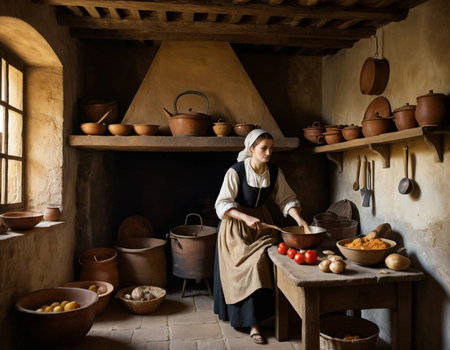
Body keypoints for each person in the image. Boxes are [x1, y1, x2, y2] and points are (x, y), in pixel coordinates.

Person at [213, 129, 310, 345]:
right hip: (235, 226)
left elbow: (286, 200)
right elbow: (222, 204)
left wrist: (300, 220)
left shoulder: (273, 172)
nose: (268, 152)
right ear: (251, 149)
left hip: (261, 224)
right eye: (263, 148)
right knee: (252, 264)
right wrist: (244, 217)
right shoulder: (236, 171)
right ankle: (252, 324)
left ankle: (272, 315)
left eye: (271, 148)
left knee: (270, 257)